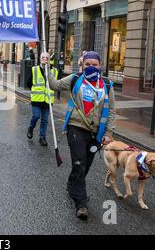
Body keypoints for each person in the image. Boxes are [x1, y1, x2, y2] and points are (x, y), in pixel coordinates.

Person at [47, 51, 116, 220]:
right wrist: (46, 66)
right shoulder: (75, 79)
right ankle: (81, 203)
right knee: (79, 163)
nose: (91, 67)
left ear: (100, 66)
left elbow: (112, 111)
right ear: (82, 65)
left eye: (94, 64)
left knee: (85, 166)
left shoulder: (107, 85)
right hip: (76, 127)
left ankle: (72, 184)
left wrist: (108, 133)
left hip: (96, 133)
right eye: (87, 64)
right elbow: (54, 85)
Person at [26, 52, 58, 146]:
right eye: (43, 57)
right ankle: (31, 128)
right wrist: (35, 90)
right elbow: (29, 83)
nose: (45, 59)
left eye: (47, 57)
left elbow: (56, 84)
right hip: (37, 99)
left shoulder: (54, 71)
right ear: (40, 59)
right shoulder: (35, 69)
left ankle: (42, 137)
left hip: (48, 100)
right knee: (36, 116)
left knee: (45, 120)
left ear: (49, 59)